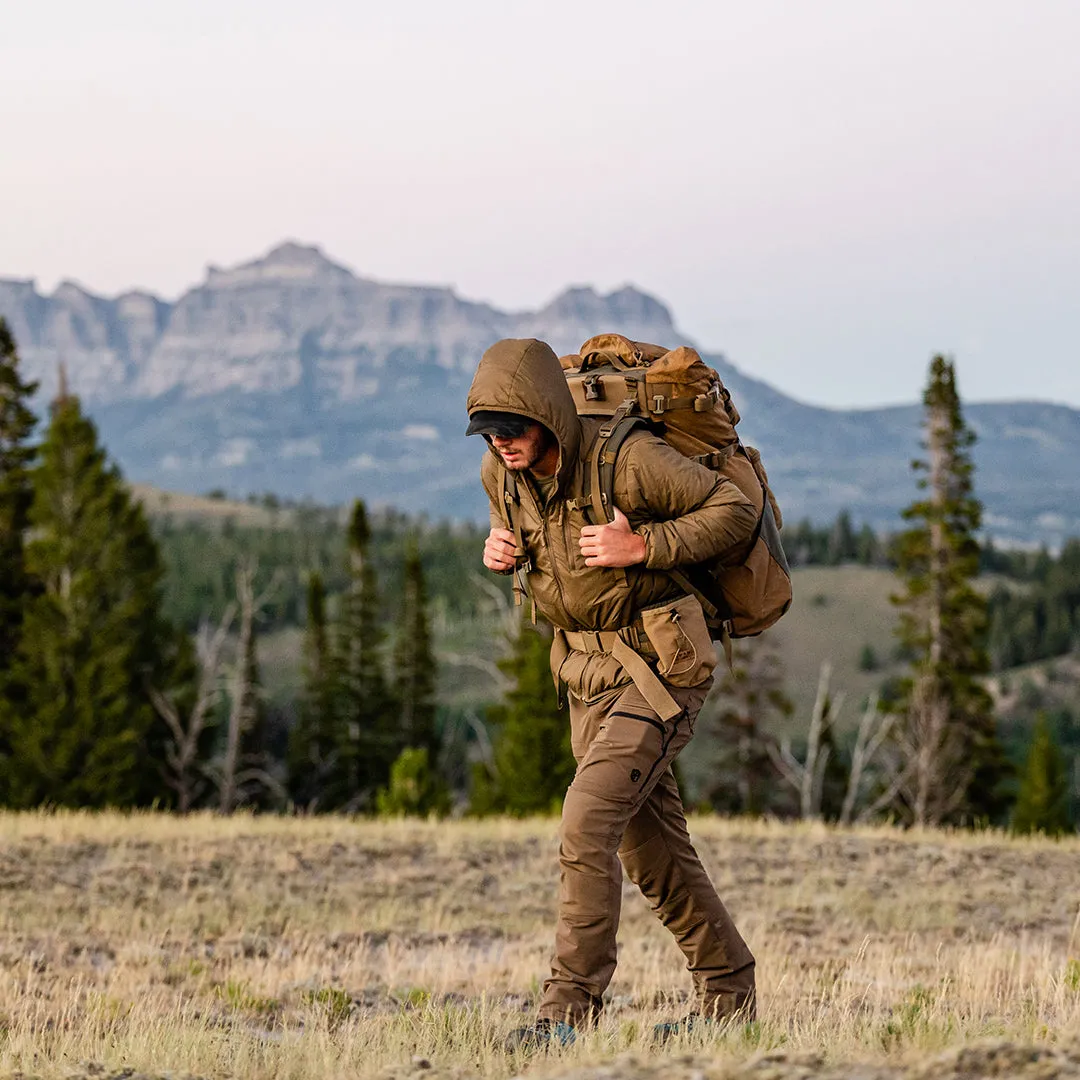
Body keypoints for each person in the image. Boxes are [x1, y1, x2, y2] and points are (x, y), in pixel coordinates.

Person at [465, 338, 759, 1049]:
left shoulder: (627, 458)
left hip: (662, 662)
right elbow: (552, 559)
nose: (503, 442)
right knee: (650, 850)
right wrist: (501, 553)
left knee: (586, 822)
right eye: (490, 431)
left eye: (515, 426)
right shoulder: (500, 474)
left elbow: (733, 509)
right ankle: (729, 996)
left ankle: (567, 1012)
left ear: (548, 414)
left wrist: (644, 548)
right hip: (585, 675)